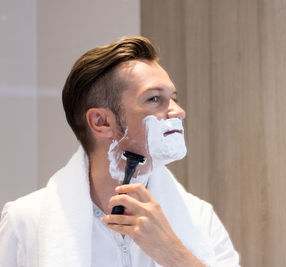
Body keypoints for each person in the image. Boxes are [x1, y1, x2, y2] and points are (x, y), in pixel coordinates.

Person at [0, 36, 240, 267]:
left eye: (173, 98)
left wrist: (172, 254)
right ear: (101, 122)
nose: (178, 111)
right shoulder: (26, 222)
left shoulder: (200, 218)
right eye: (155, 99)